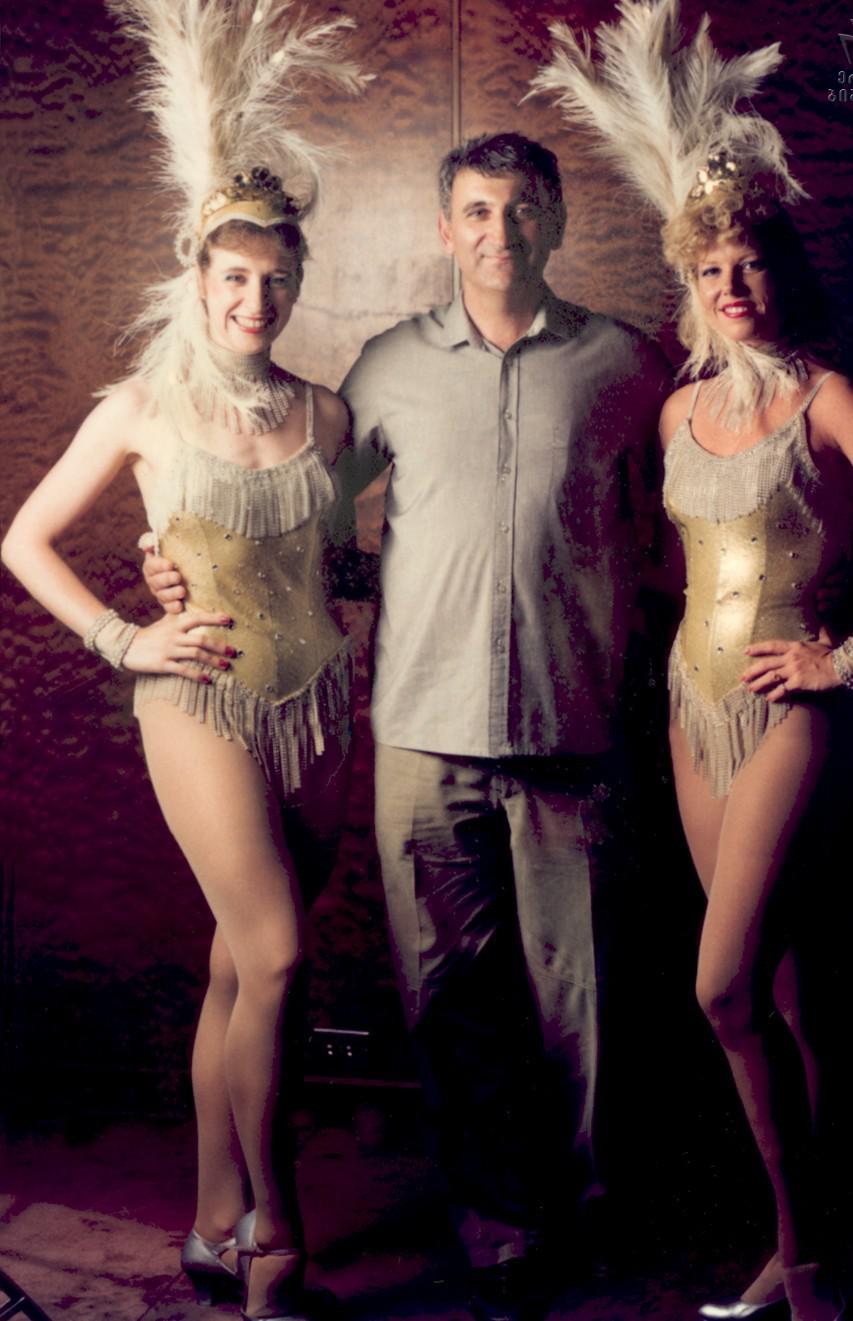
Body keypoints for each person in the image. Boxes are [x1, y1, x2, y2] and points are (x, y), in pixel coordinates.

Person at [148, 128, 671, 1320]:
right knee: (447, 1000)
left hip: (573, 728)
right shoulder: (382, 372)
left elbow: (675, 515)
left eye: (522, 207)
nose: (500, 231)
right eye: (476, 211)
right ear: (445, 229)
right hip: (422, 732)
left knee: (580, 997)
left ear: (556, 220)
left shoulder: (625, 366)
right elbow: (296, 530)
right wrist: (178, 566)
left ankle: (580, 1208)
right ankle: (495, 1228)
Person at [533, 4, 853, 1320]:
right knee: (779, 989)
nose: (731, 285)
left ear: (780, 273)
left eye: (750, 263)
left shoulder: (827, 398)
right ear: (691, 281)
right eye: (710, 267)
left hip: (793, 715)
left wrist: (848, 659)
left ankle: (815, 1261)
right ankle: (804, 1243)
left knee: (717, 987)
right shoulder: (673, 412)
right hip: (688, 710)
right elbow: (671, 565)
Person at [1, 3, 366, 1319]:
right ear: (199, 280)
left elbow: (341, 565)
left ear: (295, 285)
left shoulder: (329, 414)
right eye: (233, 279)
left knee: (237, 965)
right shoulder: (143, 407)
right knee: (276, 959)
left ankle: (212, 1222)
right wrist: (124, 630)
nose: (254, 301)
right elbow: (22, 539)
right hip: (196, 698)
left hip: (315, 705)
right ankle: (276, 1233)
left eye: (274, 281)